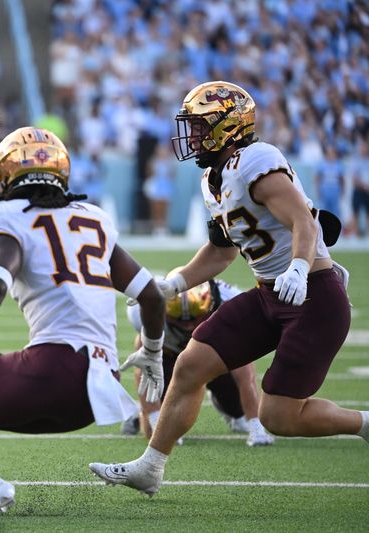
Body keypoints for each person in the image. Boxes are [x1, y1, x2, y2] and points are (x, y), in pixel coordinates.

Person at [91, 81, 368, 496]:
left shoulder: (257, 160)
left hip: (312, 295)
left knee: (279, 417)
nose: (192, 136)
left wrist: (297, 267)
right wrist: (175, 283)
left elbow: (305, 223)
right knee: (189, 364)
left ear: (228, 126)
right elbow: (221, 252)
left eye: (201, 126)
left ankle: (364, 423)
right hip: (269, 293)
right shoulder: (214, 179)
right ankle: (150, 467)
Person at [0, 127, 166, 532]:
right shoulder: (93, 218)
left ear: (3, 175)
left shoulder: (3, 215)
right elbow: (151, 296)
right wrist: (154, 351)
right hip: (99, 387)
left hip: (55, 367)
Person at [123, 276, 274, 447]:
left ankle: (225, 404)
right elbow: (145, 369)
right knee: (153, 430)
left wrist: (256, 427)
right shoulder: (146, 307)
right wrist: (155, 420)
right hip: (167, 356)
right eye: (179, 320)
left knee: (239, 413)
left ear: (211, 306)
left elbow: (245, 373)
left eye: (194, 319)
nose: (188, 327)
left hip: (211, 353)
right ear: (164, 311)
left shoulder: (231, 303)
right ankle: (138, 414)